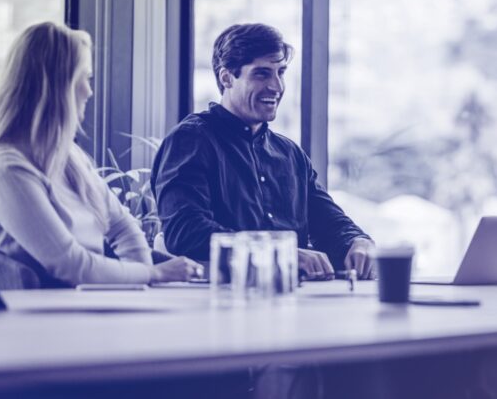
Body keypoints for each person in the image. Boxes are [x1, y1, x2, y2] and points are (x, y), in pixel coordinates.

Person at [0, 22, 200, 286]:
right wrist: (154, 274)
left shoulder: (69, 157)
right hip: (38, 316)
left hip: (82, 303)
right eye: (85, 78)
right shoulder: (5, 170)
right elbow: (70, 265)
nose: (89, 91)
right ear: (59, 86)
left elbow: (122, 226)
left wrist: (140, 281)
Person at [152, 23, 374, 280]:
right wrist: (280, 253)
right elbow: (186, 232)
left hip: (295, 301)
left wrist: (358, 241)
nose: (277, 86)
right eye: (262, 74)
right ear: (226, 78)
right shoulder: (191, 140)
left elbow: (329, 222)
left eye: (280, 72)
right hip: (220, 305)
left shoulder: (290, 154)